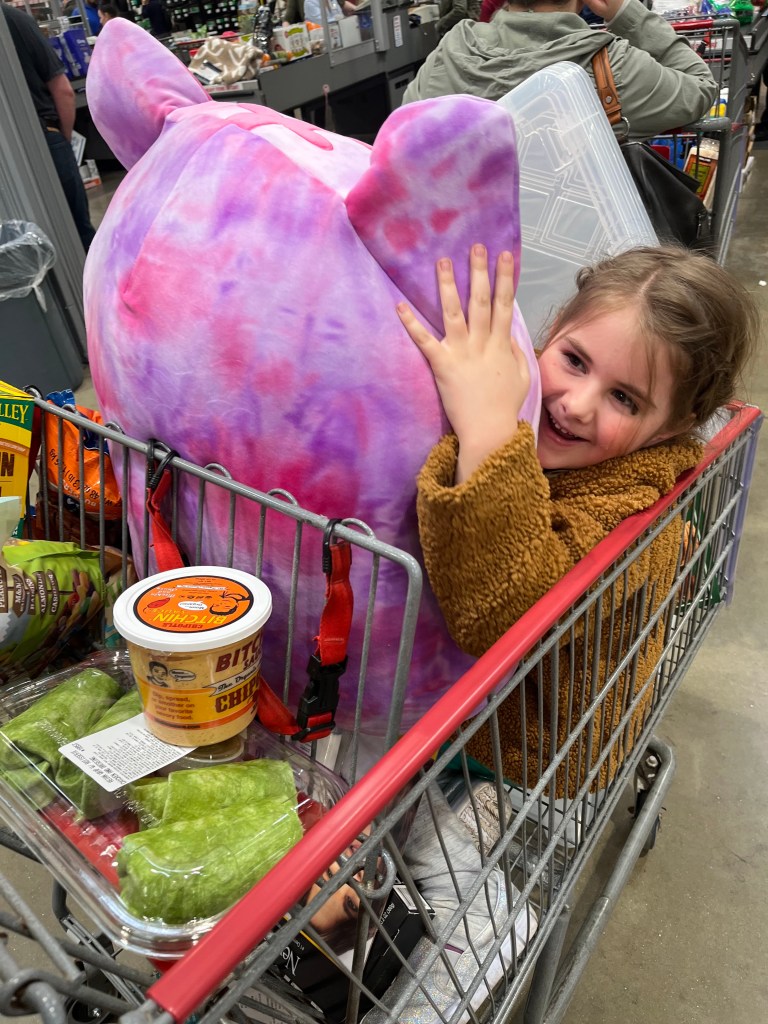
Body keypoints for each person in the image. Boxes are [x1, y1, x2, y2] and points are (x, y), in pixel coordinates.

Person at [397, 243, 757, 795]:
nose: (577, 404)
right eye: (575, 360)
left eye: (625, 399)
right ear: (556, 326)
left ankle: (475, 815)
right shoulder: (529, 386)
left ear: (672, 426)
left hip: (531, 747)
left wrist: (488, 430)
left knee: (421, 823)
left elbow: (502, 614)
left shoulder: (632, 513)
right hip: (481, 697)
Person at [402, 0, 717, 141]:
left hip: (469, 250)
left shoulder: (450, 51)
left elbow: (406, 133)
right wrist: (628, 13)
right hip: (581, 251)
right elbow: (701, 86)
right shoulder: (613, 65)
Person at [1, 2, 96, 251]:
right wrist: (62, 138)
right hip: (46, 137)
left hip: (9, 161)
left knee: (24, 246)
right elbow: (63, 91)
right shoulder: (15, 20)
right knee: (79, 233)